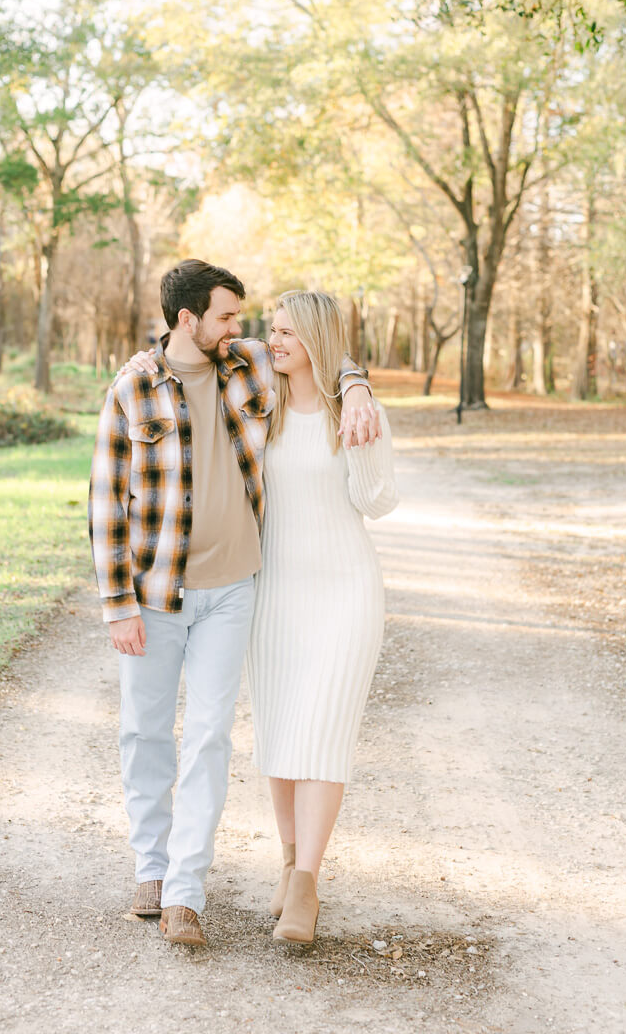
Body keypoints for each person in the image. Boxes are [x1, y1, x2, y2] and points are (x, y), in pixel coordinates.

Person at [88, 260, 377, 948]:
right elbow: (106, 503)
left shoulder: (245, 365)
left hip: (232, 591)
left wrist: (357, 383)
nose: (240, 331)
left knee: (211, 738)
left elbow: (318, 349)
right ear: (187, 320)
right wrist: (116, 604)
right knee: (146, 734)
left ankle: (187, 891)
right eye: (226, 317)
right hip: (155, 596)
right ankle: (152, 870)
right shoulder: (132, 387)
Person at [247, 290, 398, 945]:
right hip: (276, 593)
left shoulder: (355, 410)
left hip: (345, 593)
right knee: (281, 735)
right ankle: (286, 862)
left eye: (285, 333)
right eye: (270, 330)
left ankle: (307, 882)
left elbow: (378, 501)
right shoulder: (260, 405)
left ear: (314, 337)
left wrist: (362, 416)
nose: (272, 341)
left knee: (324, 734)